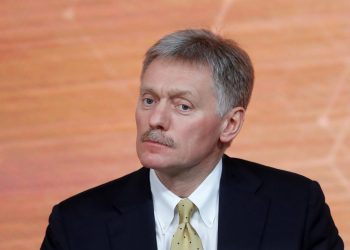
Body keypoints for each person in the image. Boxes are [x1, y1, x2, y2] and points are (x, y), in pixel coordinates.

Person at [41, 29, 344, 250]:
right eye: (149, 100)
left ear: (230, 124)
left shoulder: (295, 207)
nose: (156, 119)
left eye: (182, 106)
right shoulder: (76, 225)